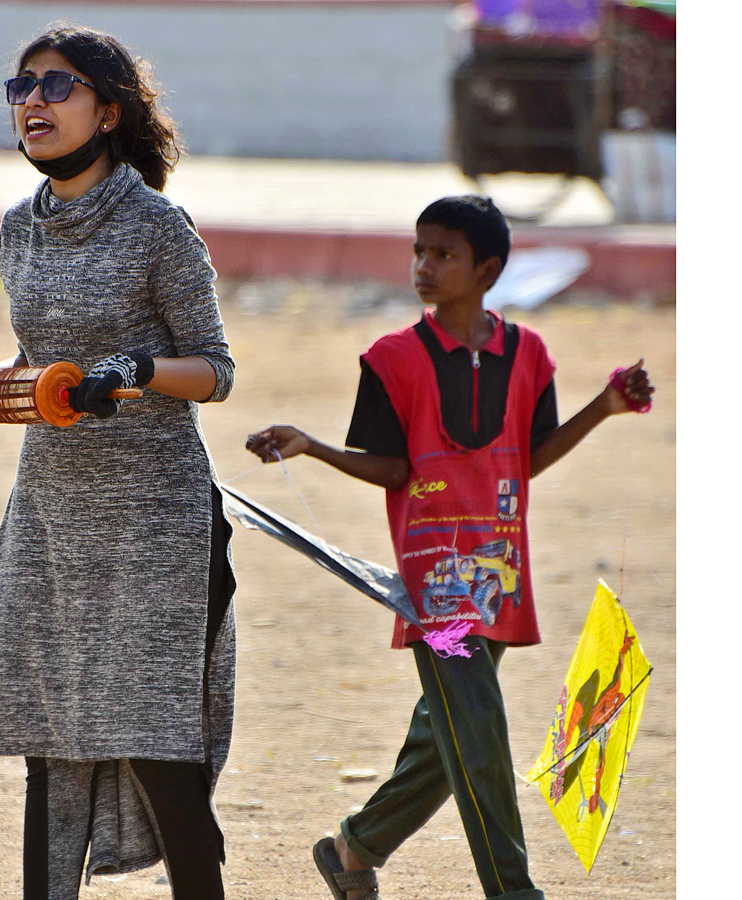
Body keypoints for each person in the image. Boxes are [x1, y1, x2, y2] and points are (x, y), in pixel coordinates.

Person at [0, 26, 237, 900]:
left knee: (156, 747)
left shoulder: (157, 226)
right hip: (52, 516)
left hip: (156, 526)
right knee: (51, 739)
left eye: (57, 86)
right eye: (21, 86)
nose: (32, 101)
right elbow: (43, 374)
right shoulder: (17, 233)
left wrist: (138, 372)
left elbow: (217, 371)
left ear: (108, 111)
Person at [245, 195, 654, 900]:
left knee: (450, 734)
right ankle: (514, 891)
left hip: (499, 571)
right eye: (419, 251)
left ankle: (354, 848)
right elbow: (394, 467)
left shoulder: (529, 355)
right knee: (481, 731)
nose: (424, 266)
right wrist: (313, 447)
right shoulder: (391, 359)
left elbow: (528, 457)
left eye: (444, 254)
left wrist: (605, 406)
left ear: (487, 269)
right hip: (438, 587)